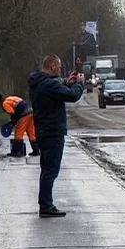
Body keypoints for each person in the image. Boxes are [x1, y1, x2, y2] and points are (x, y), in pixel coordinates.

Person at [28, 55, 85, 218]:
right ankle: (46, 205)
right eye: (59, 67)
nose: (60, 70)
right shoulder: (48, 84)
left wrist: (67, 82)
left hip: (43, 131)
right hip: (52, 131)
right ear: (52, 66)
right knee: (50, 170)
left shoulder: (39, 82)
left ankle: (45, 203)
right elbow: (72, 96)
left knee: (46, 169)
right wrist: (79, 84)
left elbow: (59, 89)